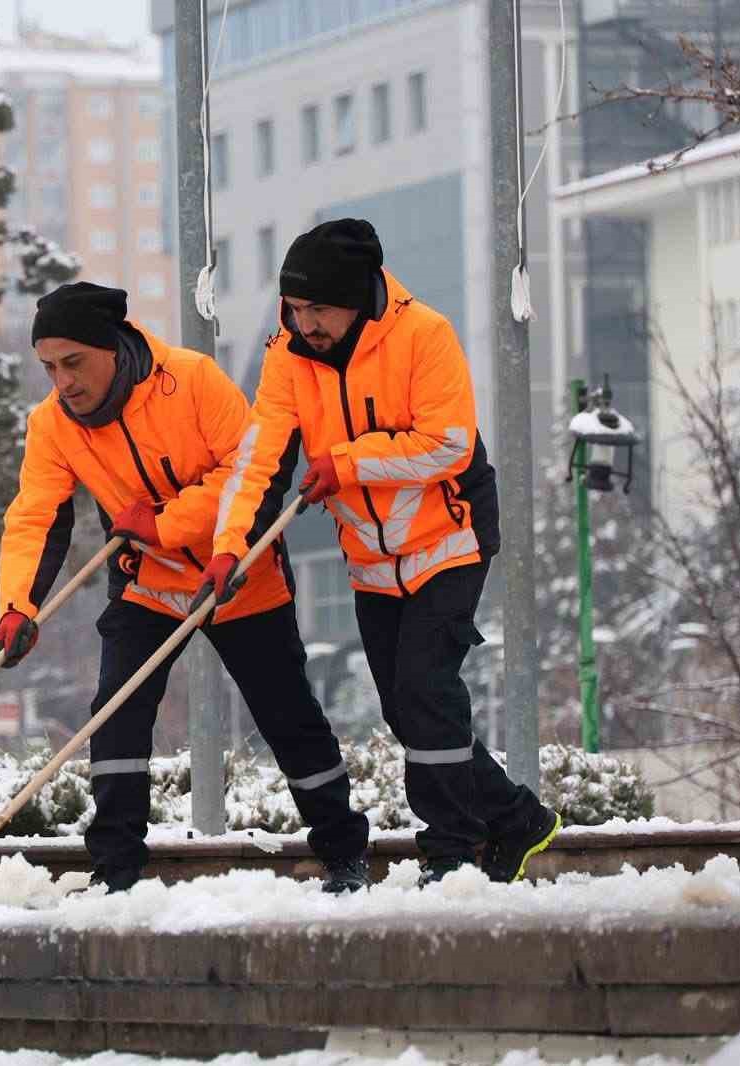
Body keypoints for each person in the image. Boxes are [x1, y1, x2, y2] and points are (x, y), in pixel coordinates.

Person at [205, 218, 561, 886]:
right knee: (405, 708)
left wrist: (346, 463)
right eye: (295, 308)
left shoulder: (423, 335)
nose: (303, 323)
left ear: (358, 299)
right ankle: (516, 818)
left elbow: (449, 443)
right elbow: (258, 460)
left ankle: (450, 847)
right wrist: (230, 546)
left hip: (448, 540)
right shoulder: (288, 354)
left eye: (319, 310)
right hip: (370, 557)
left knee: (427, 693)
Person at [0, 281, 371, 895]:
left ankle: (345, 851)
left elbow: (252, 472)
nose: (63, 382)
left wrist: (166, 523)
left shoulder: (192, 380)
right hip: (148, 585)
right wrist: (18, 605)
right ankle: (115, 868)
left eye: (74, 362)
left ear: (112, 347)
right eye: (49, 368)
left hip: (238, 575)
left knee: (287, 717)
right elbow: (35, 516)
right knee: (115, 714)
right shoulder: (52, 426)